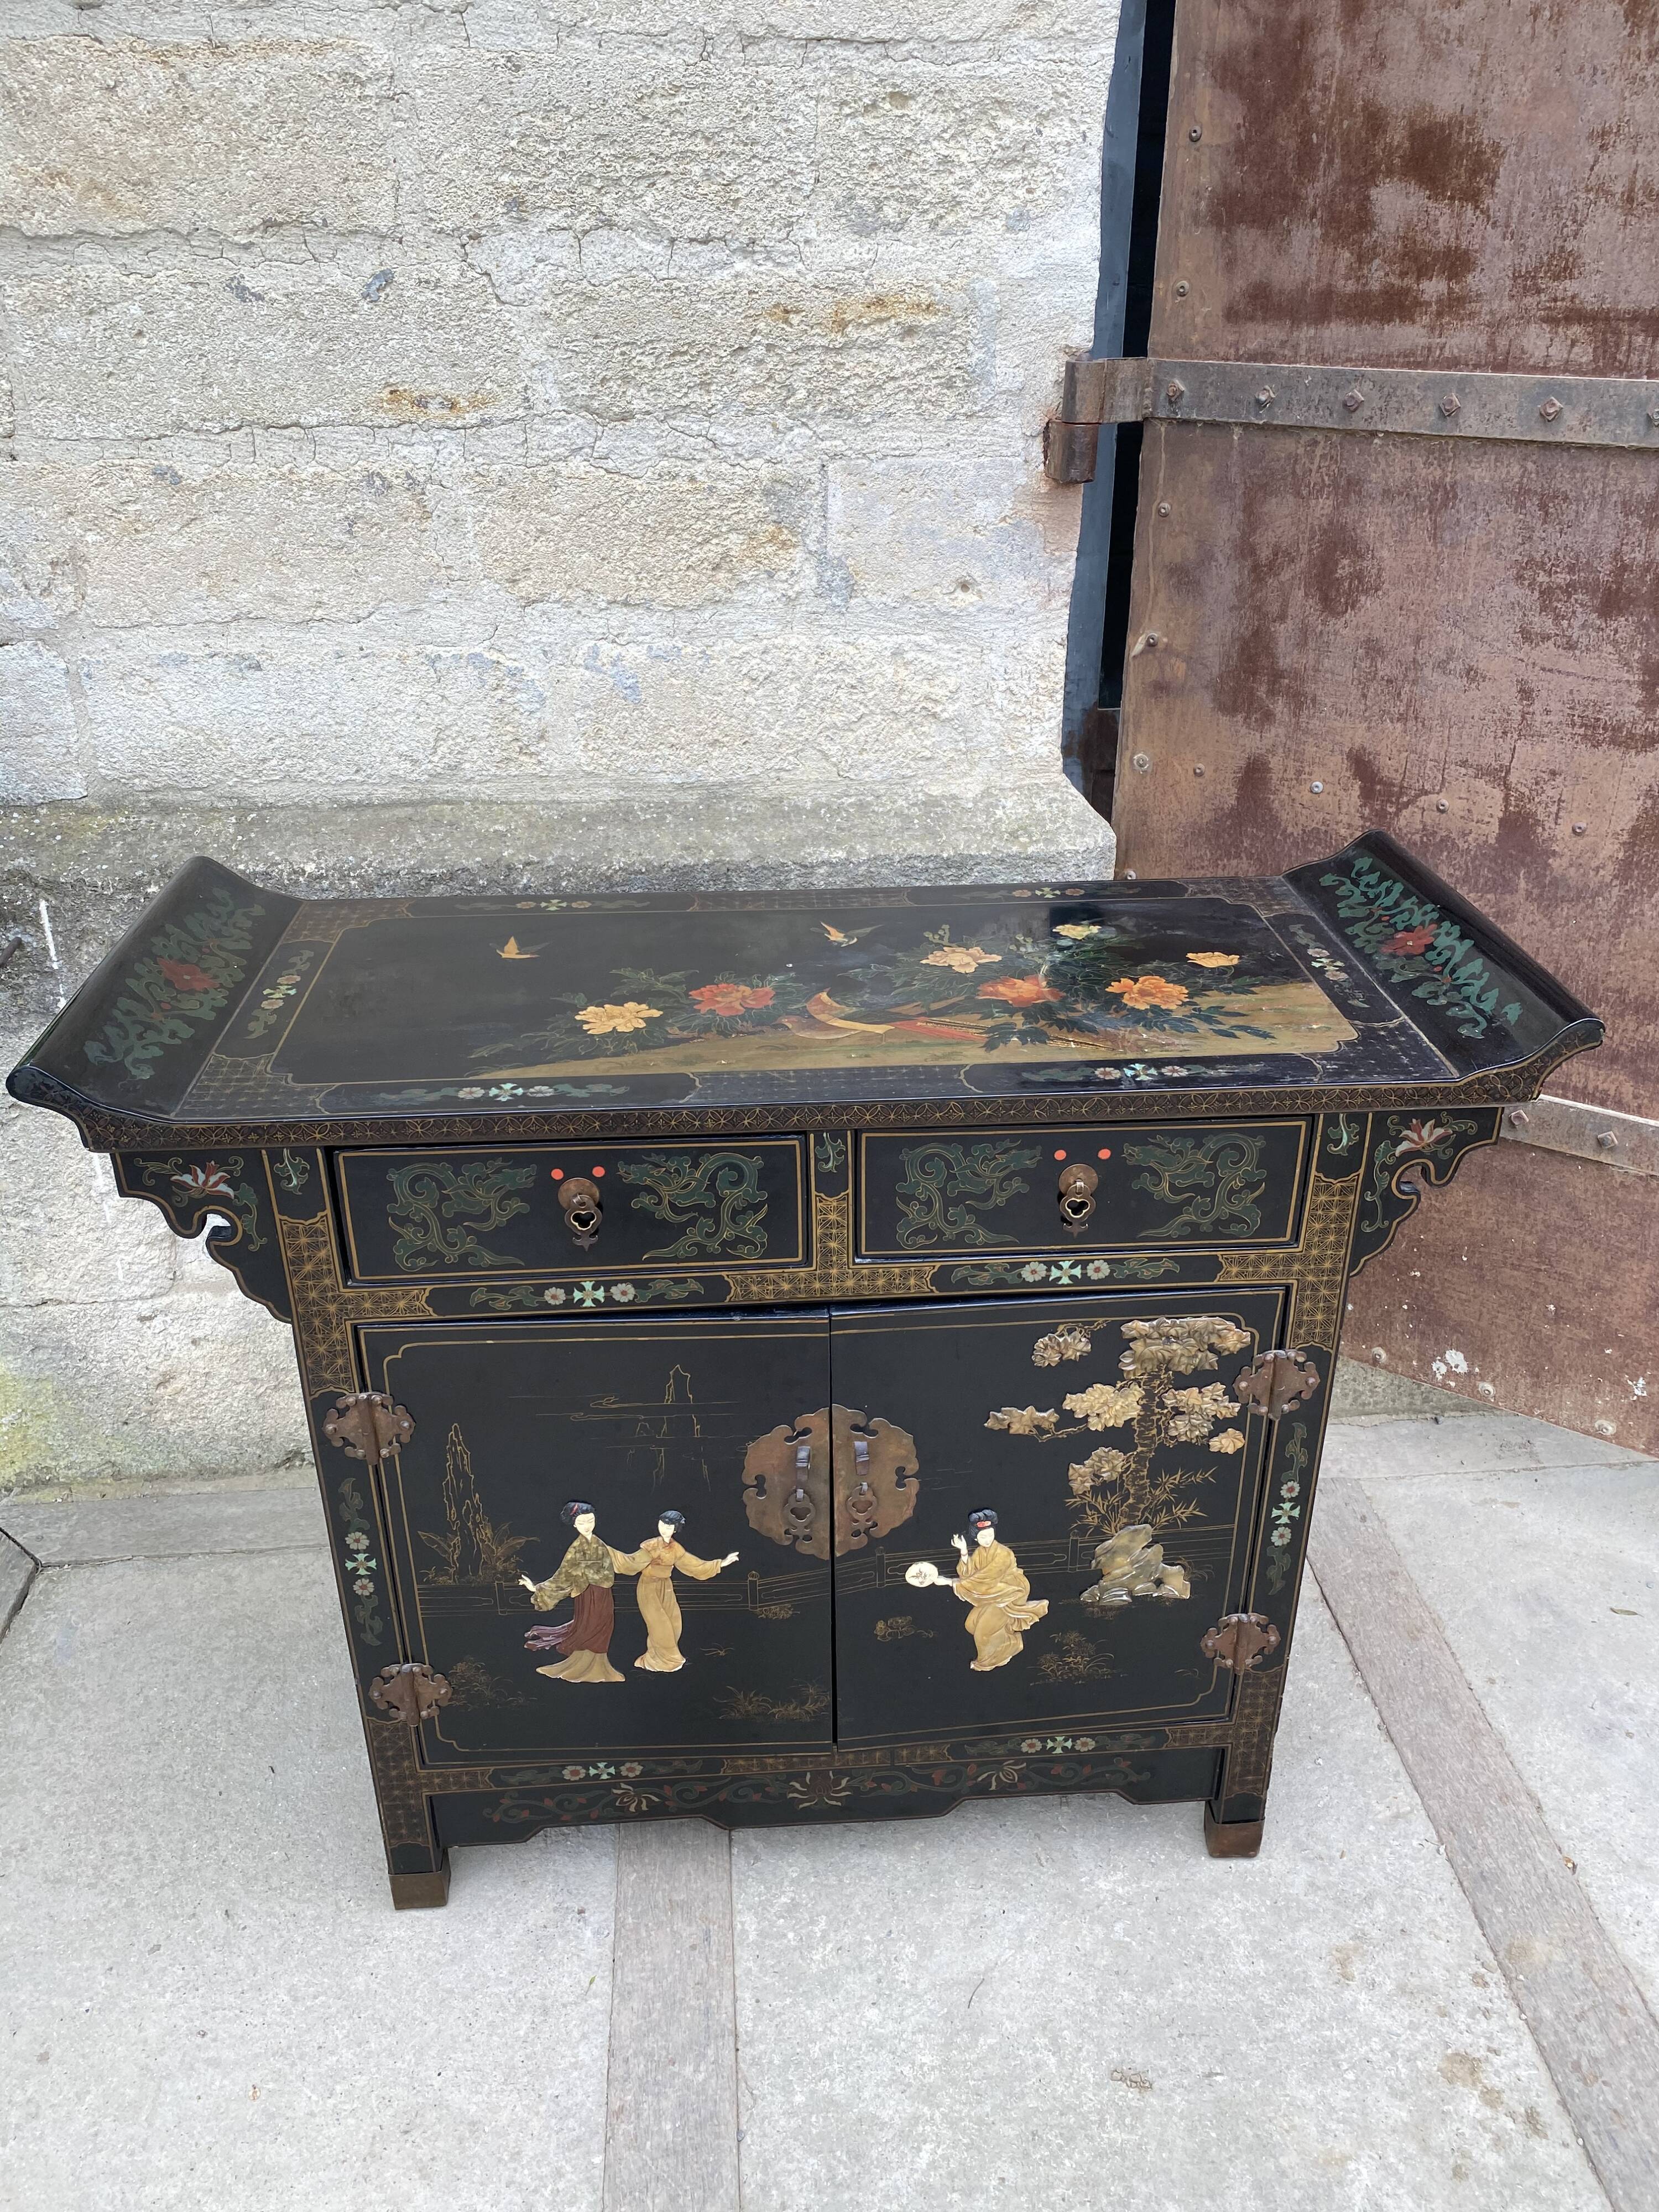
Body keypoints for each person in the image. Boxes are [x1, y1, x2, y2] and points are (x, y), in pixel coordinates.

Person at [908, 1509, 1048, 1671]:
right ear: (976, 1538)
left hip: (1009, 1593)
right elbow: (969, 1573)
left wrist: (951, 1582)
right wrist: (964, 1551)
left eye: (990, 1535)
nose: (987, 1540)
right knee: (971, 1625)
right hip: (994, 1595)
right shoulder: (981, 1552)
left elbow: (986, 1578)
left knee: (983, 1633)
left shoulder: (1003, 1553)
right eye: (982, 1537)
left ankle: (985, 1663)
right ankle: (1011, 1644)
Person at [610, 1510, 739, 1673]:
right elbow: (632, 1563)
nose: (665, 1529)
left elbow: (694, 1566)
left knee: (675, 1623)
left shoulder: (675, 1548)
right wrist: (609, 1553)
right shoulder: (651, 1546)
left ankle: (652, 1658)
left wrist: (721, 1564)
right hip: (649, 1587)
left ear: (675, 1529)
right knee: (660, 1624)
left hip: (666, 1586)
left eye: (670, 1527)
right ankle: (666, 1662)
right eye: (663, 1525)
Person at [520, 1502, 623, 1684]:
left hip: (603, 1593)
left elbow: (612, 1568)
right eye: (582, 1523)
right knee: (589, 1628)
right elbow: (563, 1575)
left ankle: (601, 1667)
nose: (587, 1526)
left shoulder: (600, 1544)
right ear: (574, 1524)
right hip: (586, 1595)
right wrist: (537, 1588)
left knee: (603, 1627)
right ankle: (583, 1667)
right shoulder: (576, 1548)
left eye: (591, 1521)